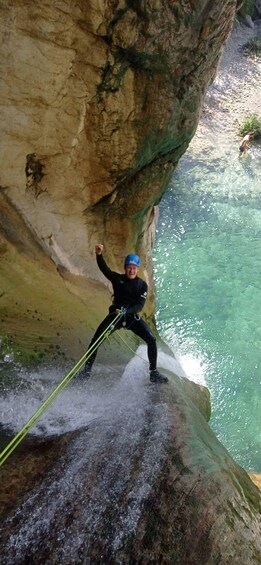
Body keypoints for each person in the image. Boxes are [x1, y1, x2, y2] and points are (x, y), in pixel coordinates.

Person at [80, 244, 168, 383]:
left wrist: (127, 311)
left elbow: (139, 305)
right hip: (115, 317)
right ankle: (86, 372)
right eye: (129, 267)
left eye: (134, 268)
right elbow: (105, 269)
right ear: (125, 268)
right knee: (95, 341)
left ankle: (153, 373)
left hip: (132, 317)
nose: (131, 270)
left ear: (137, 269)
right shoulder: (118, 279)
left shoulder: (141, 285)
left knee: (151, 339)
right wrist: (99, 254)